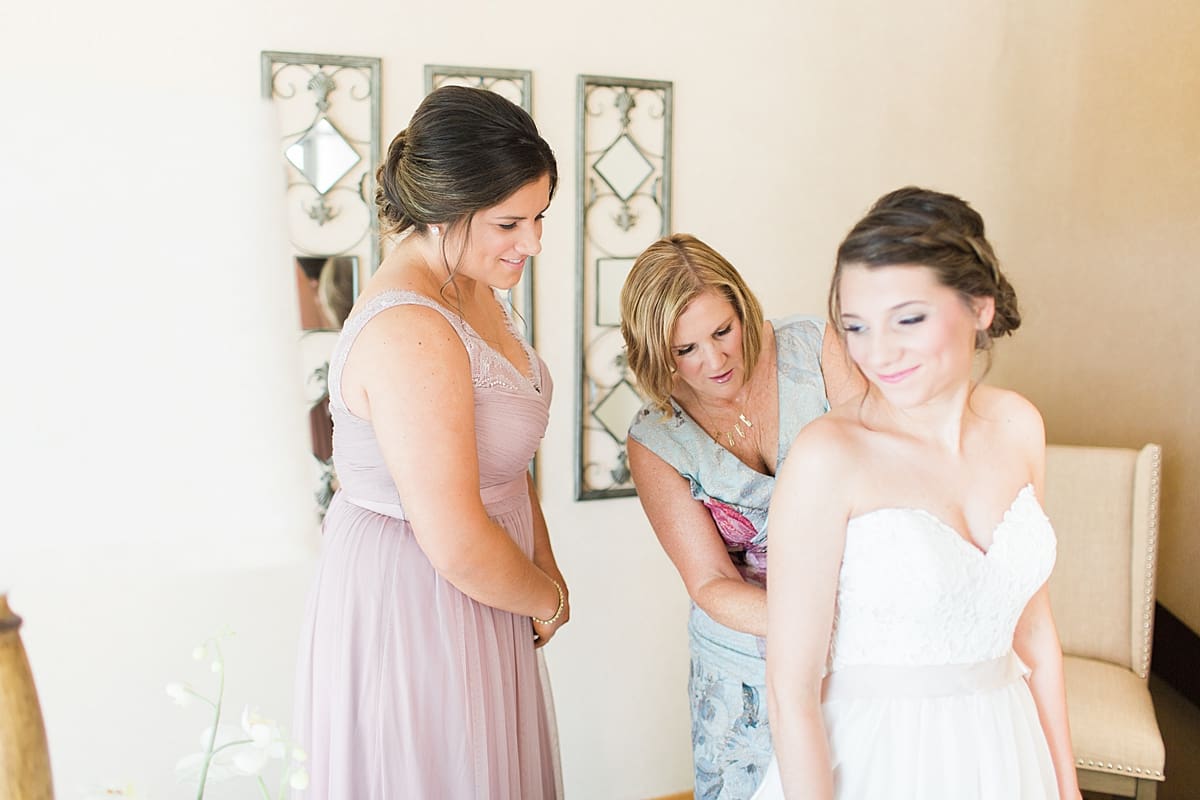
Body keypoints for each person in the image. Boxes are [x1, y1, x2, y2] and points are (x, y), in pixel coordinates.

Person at [753, 187, 1081, 799]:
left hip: (1009, 753)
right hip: (881, 763)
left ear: (979, 307)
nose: (879, 353)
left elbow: (1033, 631)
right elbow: (789, 689)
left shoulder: (1019, 425)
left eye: (908, 319)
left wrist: (1066, 785)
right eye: (857, 327)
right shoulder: (829, 456)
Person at [291, 85, 568, 799]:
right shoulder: (410, 331)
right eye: (510, 223)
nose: (533, 243)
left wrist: (542, 562)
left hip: (485, 584)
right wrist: (544, 597)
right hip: (419, 598)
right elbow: (455, 541)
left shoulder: (469, 282)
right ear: (446, 210)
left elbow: (502, 461)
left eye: (539, 217)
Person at [620, 234, 860, 799]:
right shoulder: (657, 438)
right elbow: (709, 581)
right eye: (686, 349)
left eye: (723, 331)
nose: (715, 360)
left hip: (861, 627)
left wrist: (859, 618)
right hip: (743, 661)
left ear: (742, 307)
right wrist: (810, 623)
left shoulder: (813, 348)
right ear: (657, 354)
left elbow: (881, 474)